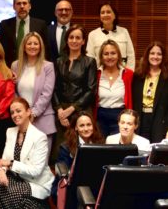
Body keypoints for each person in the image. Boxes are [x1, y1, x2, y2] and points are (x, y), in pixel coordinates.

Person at [0, 98, 54, 209]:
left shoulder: (40, 137)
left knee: (12, 194)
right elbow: (4, 159)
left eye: (18, 111)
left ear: (28, 112)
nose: (15, 115)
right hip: (16, 178)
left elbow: (35, 171)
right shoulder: (10, 132)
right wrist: (1, 171)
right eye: (12, 112)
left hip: (35, 182)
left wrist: (10, 163)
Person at [52, 25, 97, 158]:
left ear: (83, 41)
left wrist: (71, 109)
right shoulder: (59, 61)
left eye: (78, 38)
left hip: (81, 110)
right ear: (67, 40)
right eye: (71, 37)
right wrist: (60, 111)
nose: (74, 40)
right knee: (61, 151)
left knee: (82, 151)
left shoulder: (89, 62)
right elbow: (53, 88)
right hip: (62, 113)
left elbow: (91, 89)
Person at [11, 32, 56, 150]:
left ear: (40, 46)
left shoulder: (48, 66)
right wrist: (21, 113)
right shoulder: (15, 66)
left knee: (41, 164)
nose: (32, 46)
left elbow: (47, 93)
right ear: (24, 47)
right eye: (29, 43)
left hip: (42, 120)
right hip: (21, 120)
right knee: (22, 161)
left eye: (36, 43)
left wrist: (33, 113)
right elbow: (13, 91)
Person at [131, 41, 168, 143]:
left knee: (157, 155)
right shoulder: (138, 75)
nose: (155, 56)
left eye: (159, 54)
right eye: (152, 53)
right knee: (141, 152)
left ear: (163, 57)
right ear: (147, 55)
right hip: (141, 121)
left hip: (161, 123)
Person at [94, 39, 134, 136]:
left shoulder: (128, 74)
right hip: (100, 118)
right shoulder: (96, 74)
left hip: (121, 117)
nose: (110, 57)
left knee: (118, 149)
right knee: (100, 148)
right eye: (106, 54)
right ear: (101, 57)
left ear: (119, 55)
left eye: (113, 53)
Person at [0, 0, 48, 66]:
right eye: (18, 4)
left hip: (34, 67)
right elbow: (1, 49)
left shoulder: (40, 25)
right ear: (14, 7)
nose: (22, 6)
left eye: (24, 3)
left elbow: (45, 48)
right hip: (10, 67)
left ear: (30, 6)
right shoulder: (5, 25)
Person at [86, 2, 136, 70]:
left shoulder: (124, 32)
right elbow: (90, 58)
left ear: (115, 15)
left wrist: (129, 74)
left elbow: (131, 55)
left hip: (122, 74)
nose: (105, 15)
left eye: (108, 12)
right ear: (100, 16)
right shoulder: (92, 35)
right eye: (102, 12)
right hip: (100, 75)